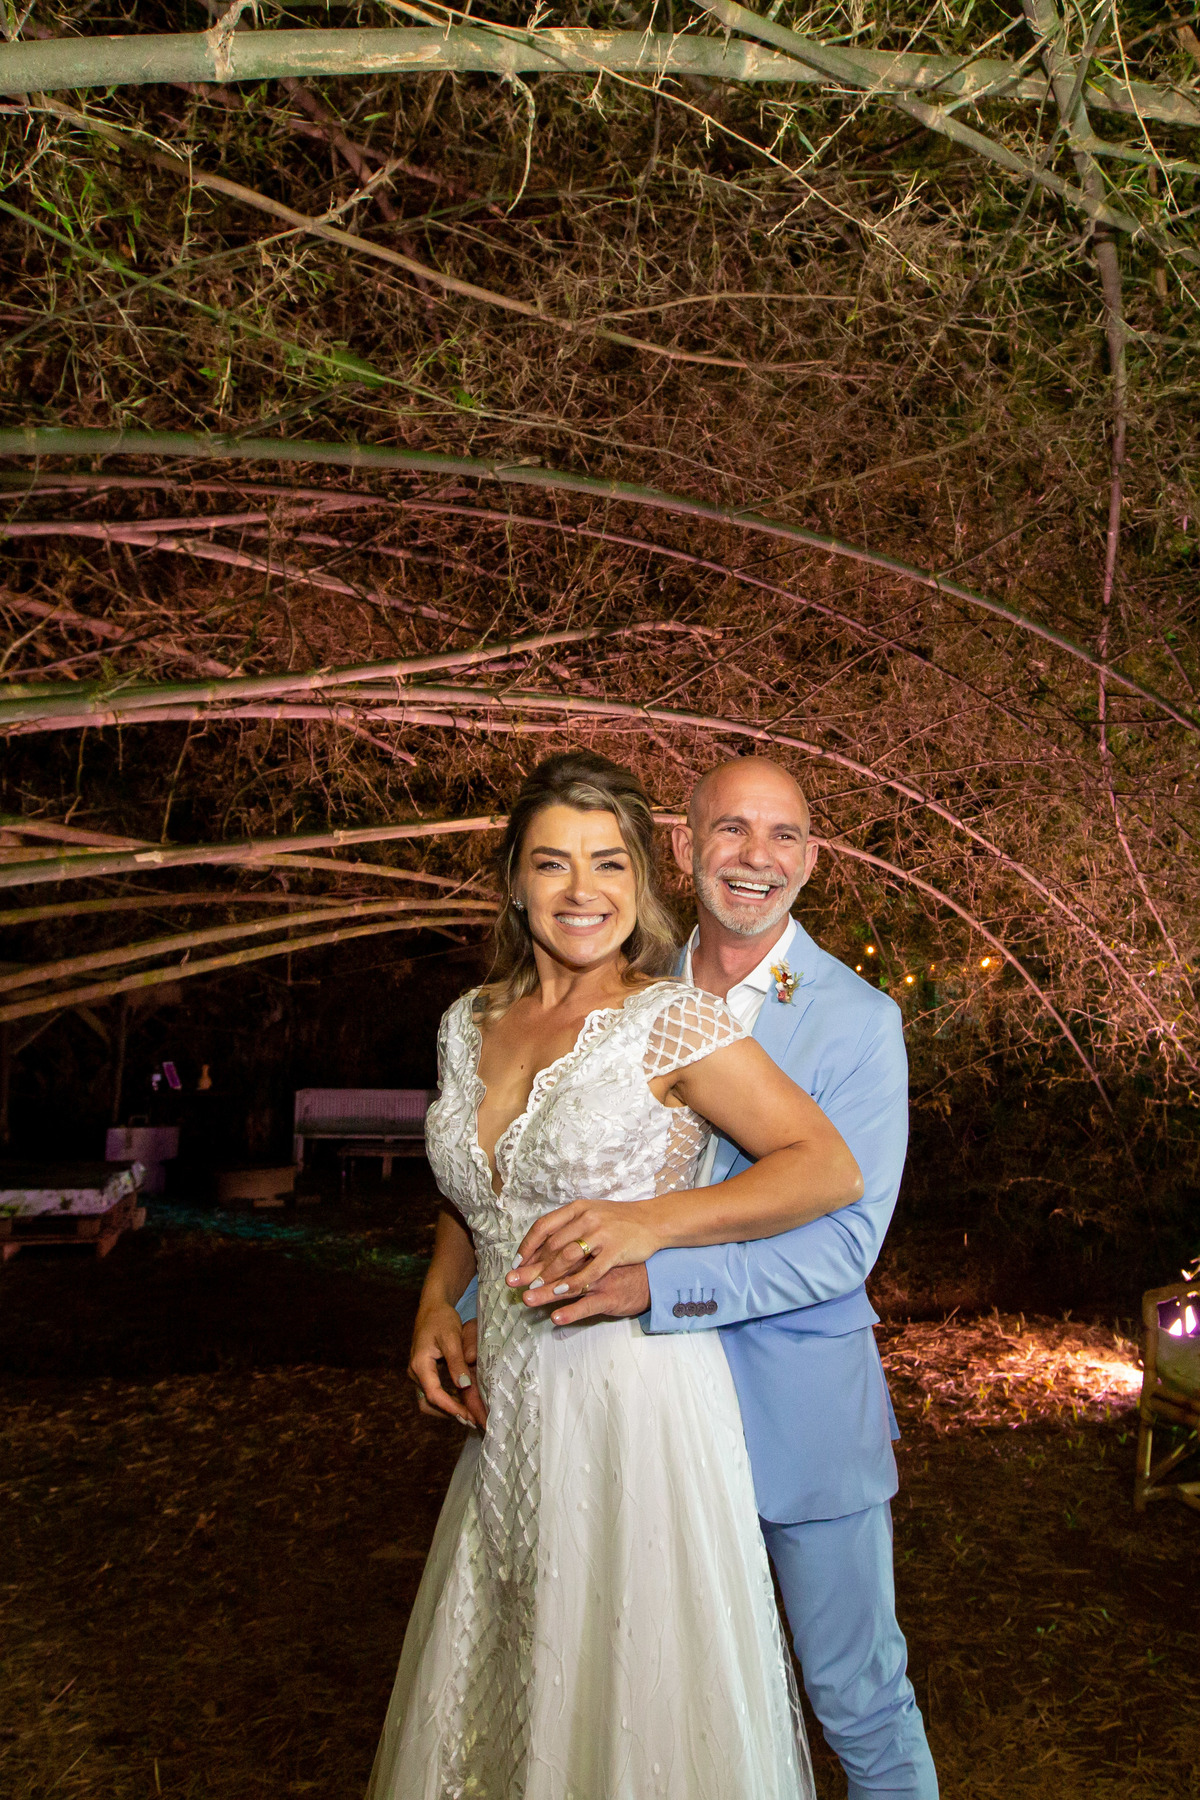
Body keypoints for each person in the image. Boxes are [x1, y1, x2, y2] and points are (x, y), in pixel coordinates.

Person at [369, 750, 866, 1800]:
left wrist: (652, 1224)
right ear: (514, 880)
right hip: (507, 1409)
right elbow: (477, 1193)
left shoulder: (670, 1019)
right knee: (507, 1684)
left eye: (609, 862)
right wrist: (434, 1302)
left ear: (642, 880)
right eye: (552, 862)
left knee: (628, 1690)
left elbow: (824, 1167)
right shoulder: (466, 1023)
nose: (581, 890)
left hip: (632, 1400)